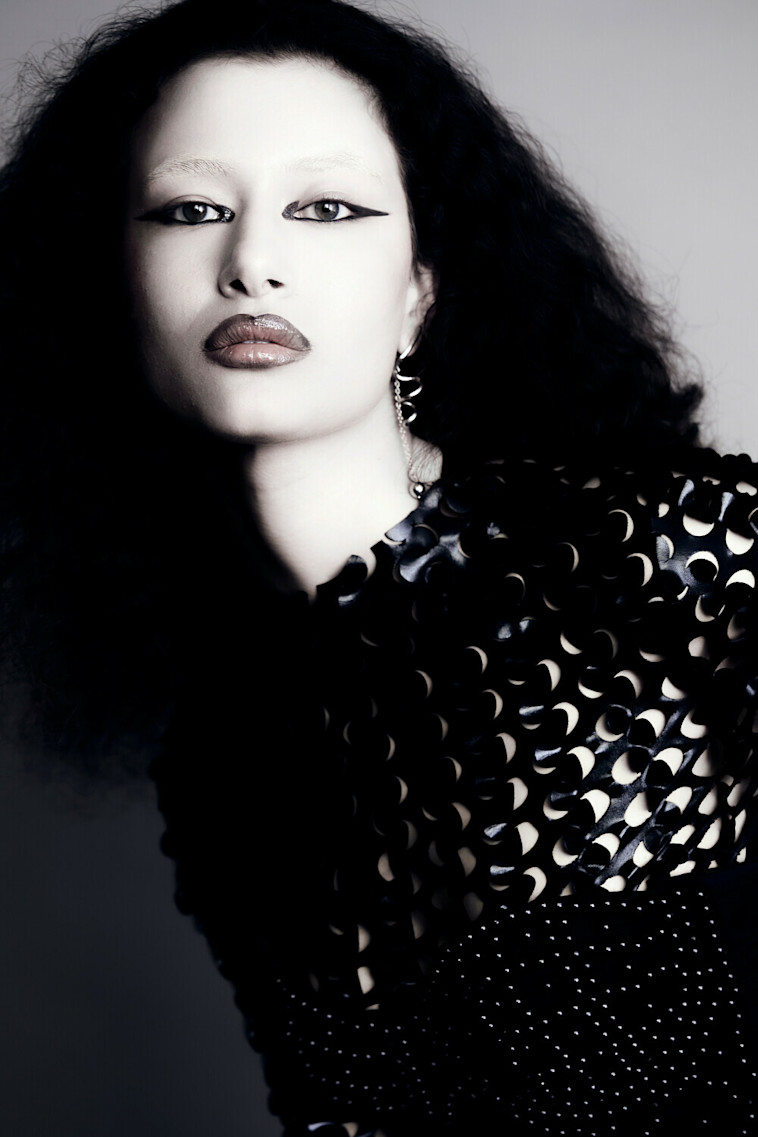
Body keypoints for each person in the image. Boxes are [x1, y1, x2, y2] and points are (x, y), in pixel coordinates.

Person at [2, 0, 757, 1133]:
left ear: (420, 290)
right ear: (112, 291)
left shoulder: (668, 554)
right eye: (191, 209)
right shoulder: (219, 748)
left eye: (326, 207)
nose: (251, 264)